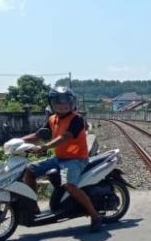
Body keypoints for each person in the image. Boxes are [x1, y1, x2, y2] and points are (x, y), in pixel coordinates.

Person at [22, 87, 103, 232]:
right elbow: (38, 135)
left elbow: (65, 137)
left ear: (72, 103)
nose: (62, 105)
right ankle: (33, 206)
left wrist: (45, 147)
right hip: (59, 158)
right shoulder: (52, 119)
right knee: (29, 170)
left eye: (66, 101)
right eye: (58, 102)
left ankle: (95, 215)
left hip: (75, 160)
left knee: (68, 185)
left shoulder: (77, 119)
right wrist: (16, 142)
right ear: (52, 103)